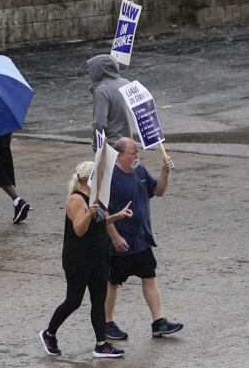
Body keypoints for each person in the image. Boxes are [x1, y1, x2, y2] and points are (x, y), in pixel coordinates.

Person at [40, 161, 132, 359]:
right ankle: (49, 334)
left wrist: (117, 216)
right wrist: (89, 213)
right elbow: (79, 229)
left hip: (98, 256)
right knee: (73, 301)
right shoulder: (76, 199)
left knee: (98, 300)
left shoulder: (96, 197)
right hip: (78, 258)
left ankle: (101, 345)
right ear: (90, 178)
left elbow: (98, 223)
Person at [103, 137, 183, 340]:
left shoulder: (140, 171)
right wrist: (115, 237)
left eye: (137, 152)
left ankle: (158, 322)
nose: (137, 156)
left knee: (149, 277)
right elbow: (103, 211)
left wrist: (165, 172)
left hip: (141, 240)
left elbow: (159, 191)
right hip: (119, 244)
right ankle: (106, 323)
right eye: (133, 153)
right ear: (120, 155)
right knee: (112, 283)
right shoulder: (110, 178)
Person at [89, 54, 132, 151]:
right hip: (128, 144)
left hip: (111, 146)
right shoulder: (127, 83)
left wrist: (97, 147)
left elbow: (99, 123)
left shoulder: (102, 91)